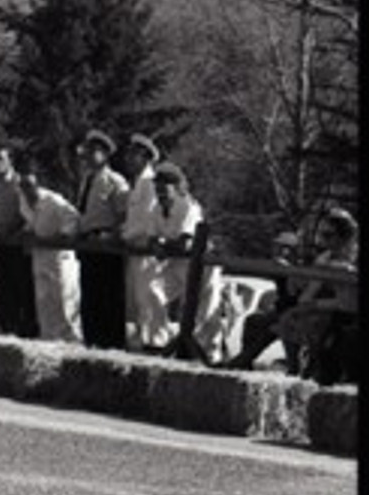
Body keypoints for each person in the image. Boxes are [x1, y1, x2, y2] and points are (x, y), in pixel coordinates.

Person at [147, 163, 229, 363]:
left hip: (203, 266)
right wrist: (155, 244)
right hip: (177, 264)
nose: (160, 193)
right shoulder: (156, 208)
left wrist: (161, 246)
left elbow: (184, 243)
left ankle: (212, 356)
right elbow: (151, 237)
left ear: (176, 188)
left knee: (207, 310)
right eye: (157, 188)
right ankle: (160, 342)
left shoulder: (188, 207)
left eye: (164, 188)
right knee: (151, 290)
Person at [276, 207, 359, 384]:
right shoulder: (326, 258)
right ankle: (296, 371)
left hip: (345, 313)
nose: (322, 241)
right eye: (321, 235)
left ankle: (303, 371)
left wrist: (313, 303)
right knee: (284, 318)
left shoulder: (351, 261)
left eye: (328, 235)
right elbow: (308, 292)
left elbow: (350, 301)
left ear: (345, 236)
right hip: (332, 310)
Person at [75, 129, 130, 349]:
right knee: (90, 299)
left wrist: (110, 236)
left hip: (106, 246)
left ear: (105, 154)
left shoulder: (115, 181)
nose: (88, 156)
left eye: (93, 151)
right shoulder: (87, 180)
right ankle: (92, 344)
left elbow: (124, 216)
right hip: (88, 243)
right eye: (87, 151)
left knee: (109, 299)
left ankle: (111, 346)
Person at [17, 159, 82, 343]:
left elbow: (73, 218)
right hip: (40, 257)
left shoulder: (54, 201)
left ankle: (73, 346)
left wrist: (60, 237)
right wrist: (27, 232)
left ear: (38, 182)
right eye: (22, 185)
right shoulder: (23, 200)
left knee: (65, 305)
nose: (26, 190)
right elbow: (31, 221)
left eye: (29, 185)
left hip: (59, 258)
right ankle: (48, 342)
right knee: (44, 304)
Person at [224, 230, 302, 371]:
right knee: (253, 321)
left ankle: (241, 362)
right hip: (282, 311)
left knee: (274, 329)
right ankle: (243, 364)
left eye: (282, 247)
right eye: (277, 246)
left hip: (295, 313)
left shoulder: (297, 266)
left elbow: (294, 291)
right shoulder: (283, 265)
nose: (277, 250)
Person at [121, 133, 166, 350]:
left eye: (134, 155)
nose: (129, 159)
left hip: (146, 250)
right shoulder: (138, 183)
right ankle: (141, 341)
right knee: (137, 301)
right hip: (134, 250)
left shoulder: (150, 183)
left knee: (149, 298)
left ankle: (154, 343)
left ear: (145, 157)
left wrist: (125, 236)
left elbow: (149, 218)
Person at [0, 143, 38, 338]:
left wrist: (12, 229)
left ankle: (19, 330)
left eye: (0, 158)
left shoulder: (20, 183)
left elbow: (28, 213)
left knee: (18, 288)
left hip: (17, 243)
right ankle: (2, 327)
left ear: (10, 161)